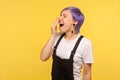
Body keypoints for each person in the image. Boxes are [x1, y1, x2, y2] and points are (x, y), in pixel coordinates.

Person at [40, 6, 94, 80]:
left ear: (75, 22)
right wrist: (53, 34)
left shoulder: (85, 43)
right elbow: (43, 57)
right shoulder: (57, 37)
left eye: (64, 16)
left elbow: (87, 73)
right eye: (60, 15)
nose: (59, 19)